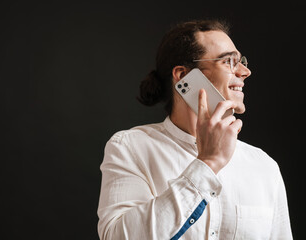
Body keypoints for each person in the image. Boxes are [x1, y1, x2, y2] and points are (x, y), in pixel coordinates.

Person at [97, 20, 293, 240]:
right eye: (229, 61)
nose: (245, 71)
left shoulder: (264, 166)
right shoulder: (130, 147)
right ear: (183, 76)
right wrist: (207, 164)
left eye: (242, 61)